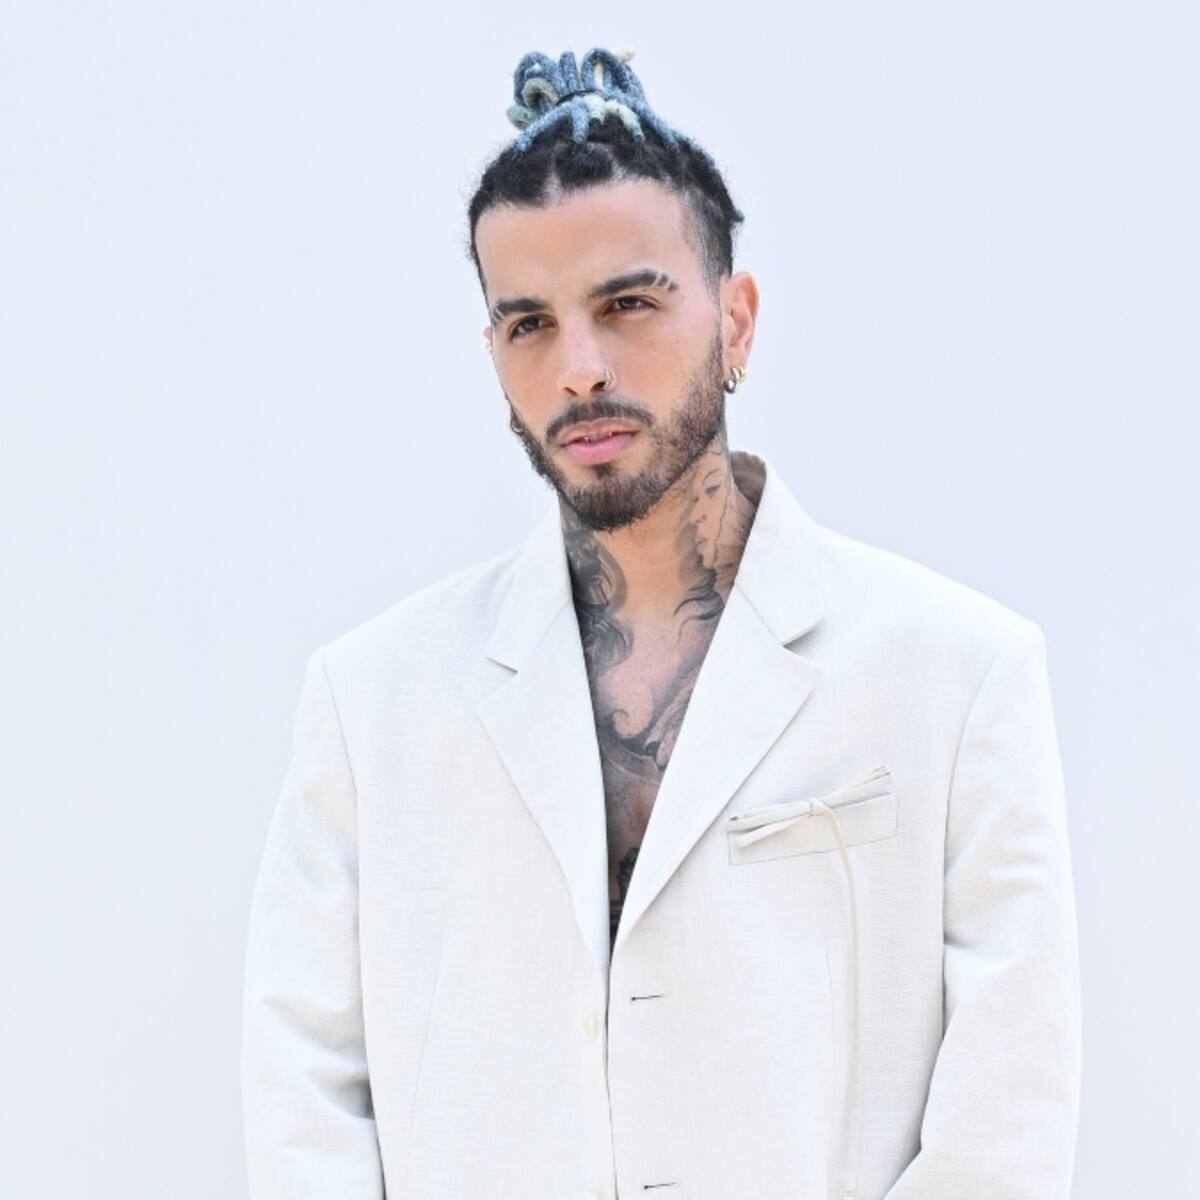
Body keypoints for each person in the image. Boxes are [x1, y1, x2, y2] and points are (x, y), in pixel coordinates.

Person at [240, 46, 1082, 1200]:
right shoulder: (373, 698)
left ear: (736, 320)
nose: (579, 370)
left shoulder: (956, 673)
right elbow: (305, 1090)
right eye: (529, 324)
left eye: (626, 305)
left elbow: (1008, 1116)